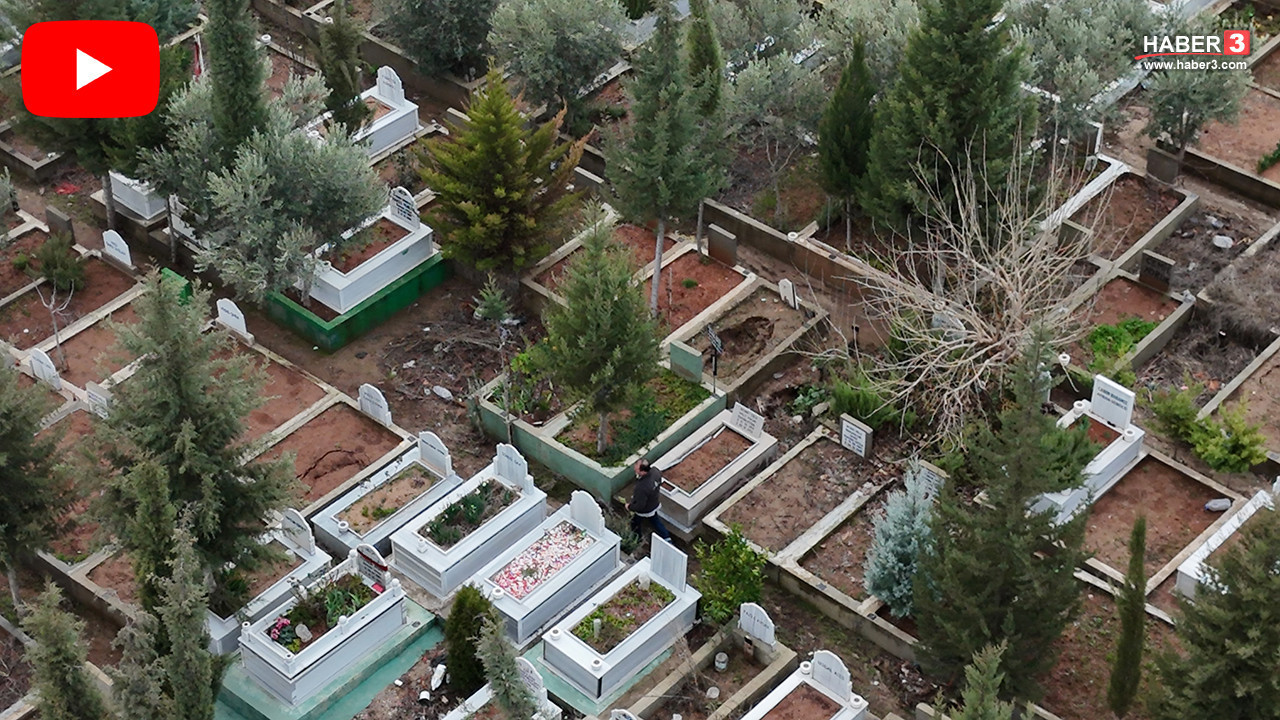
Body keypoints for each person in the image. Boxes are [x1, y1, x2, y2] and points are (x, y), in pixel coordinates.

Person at [626, 459, 672, 542]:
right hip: (654, 503)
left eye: (636, 467)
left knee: (635, 523)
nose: (634, 467)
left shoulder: (642, 487)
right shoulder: (655, 472)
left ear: (642, 471)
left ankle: (637, 539)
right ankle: (666, 536)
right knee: (655, 520)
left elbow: (640, 506)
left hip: (645, 510)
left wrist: (629, 506)